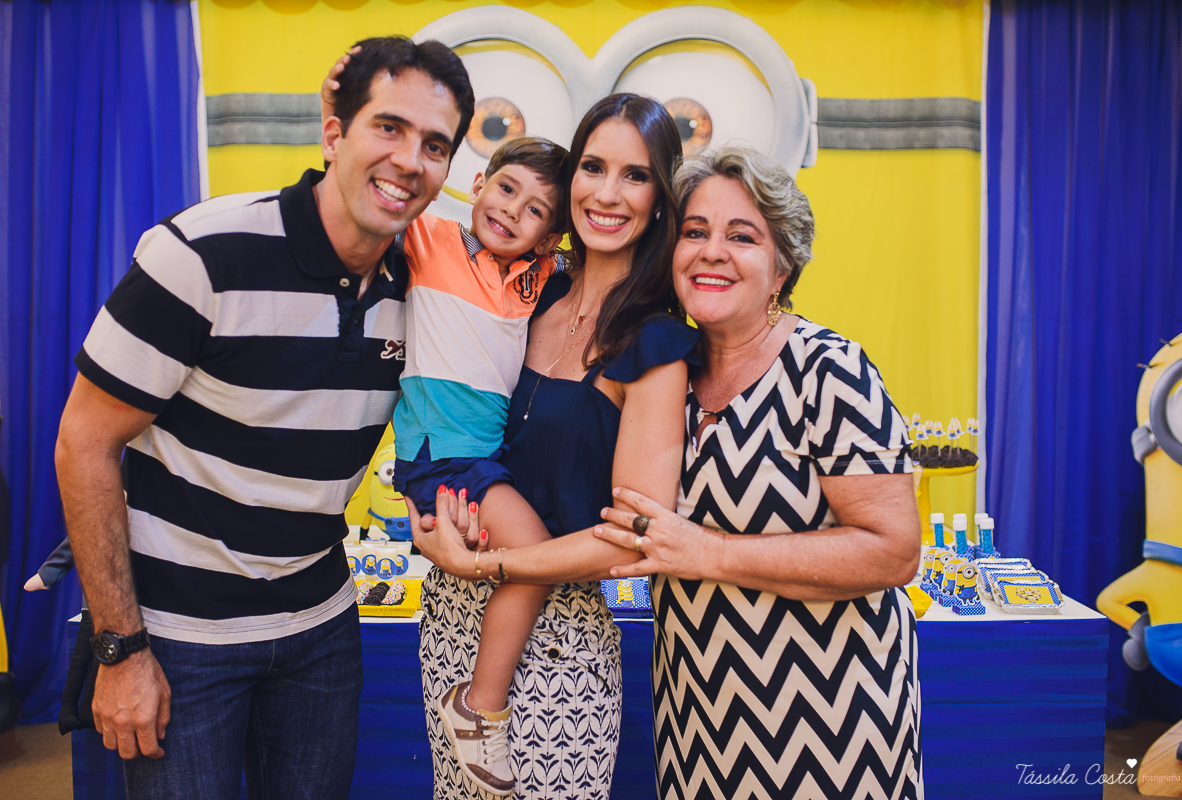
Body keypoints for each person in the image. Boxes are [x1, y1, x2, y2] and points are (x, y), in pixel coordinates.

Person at [53, 36, 472, 799]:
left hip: (320, 629)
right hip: (182, 640)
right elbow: (83, 442)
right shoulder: (203, 253)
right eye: (389, 127)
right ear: (334, 130)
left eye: (435, 144)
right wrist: (120, 650)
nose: (411, 160)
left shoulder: (427, 284)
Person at [591, 144, 924, 799]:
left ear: (781, 268)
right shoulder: (668, 375)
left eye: (742, 236)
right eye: (694, 232)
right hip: (696, 719)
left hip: (831, 727)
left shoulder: (828, 369)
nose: (712, 250)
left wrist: (709, 552)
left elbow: (893, 551)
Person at [412, 93, 698, 800]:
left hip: (560, 648)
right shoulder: (531, 290)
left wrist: (491, 563)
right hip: (450, 622)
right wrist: (429, 508)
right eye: (593, 166)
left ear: (661, 197)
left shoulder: (656, 342)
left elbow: (635, 538)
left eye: (634, 176)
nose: (606, 193)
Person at [389, 135, 571, 795]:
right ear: (480, 181)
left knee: (529, 561)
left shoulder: (539, 278)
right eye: (506, 188)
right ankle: (480, 706)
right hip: (443, 456)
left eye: (536, 211)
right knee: (535, 556)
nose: (512, 210)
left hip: (484, 459)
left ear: (550, 239)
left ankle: (480, 700)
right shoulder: (429, 240)